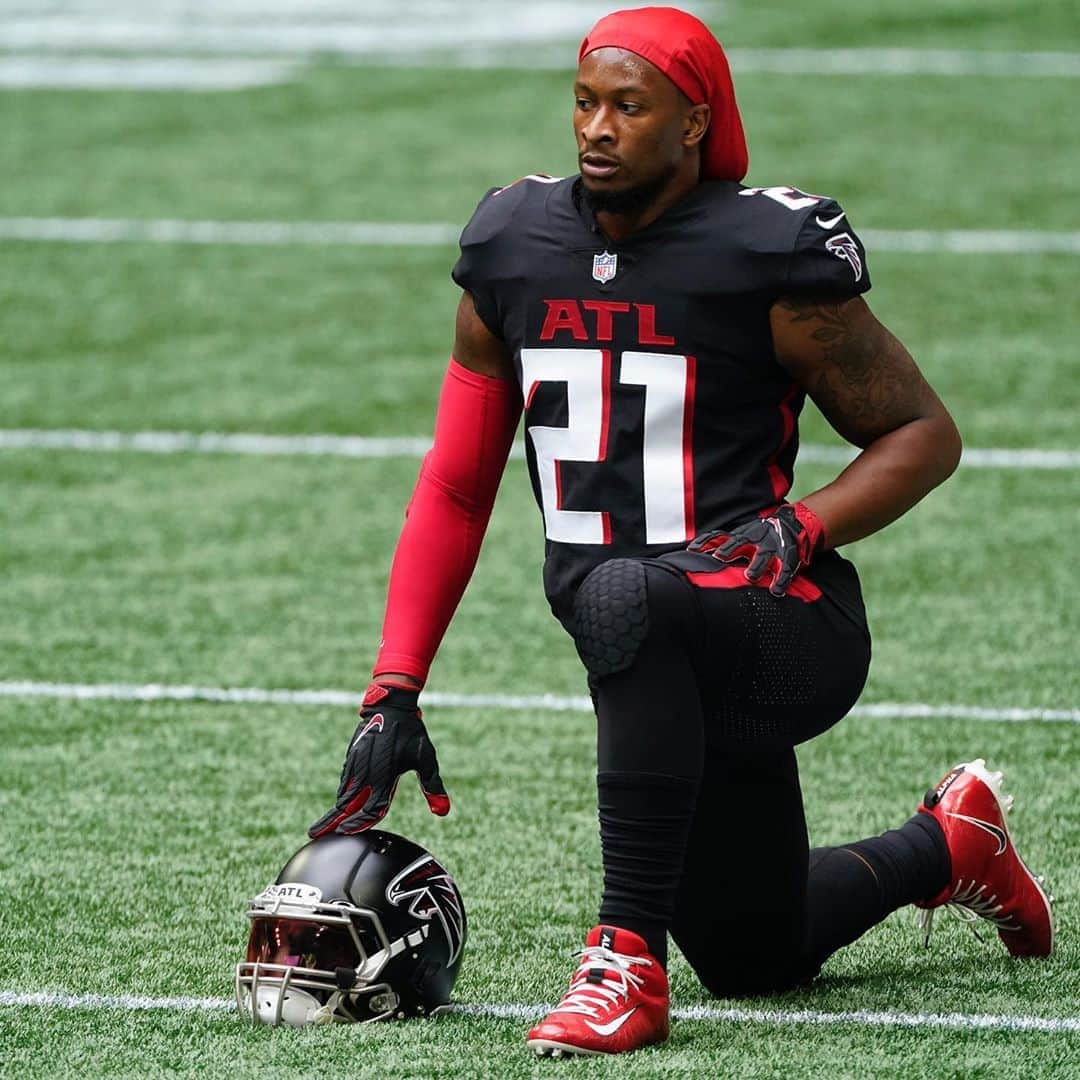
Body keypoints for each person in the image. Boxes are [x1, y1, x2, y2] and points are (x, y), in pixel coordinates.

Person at [309, 6, 1054, 1058]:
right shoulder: (516, 244)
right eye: (584, 101)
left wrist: (806, 523)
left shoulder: (766, 254)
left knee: (624, 590)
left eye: (629, 105)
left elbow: (922, 435)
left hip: (780, 625)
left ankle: (623, 961)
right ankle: (949, 841)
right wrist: (395, 684)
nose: (596, 129)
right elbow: (458, 486)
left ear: (695, 122)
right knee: (756, 954)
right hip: (650, 654)